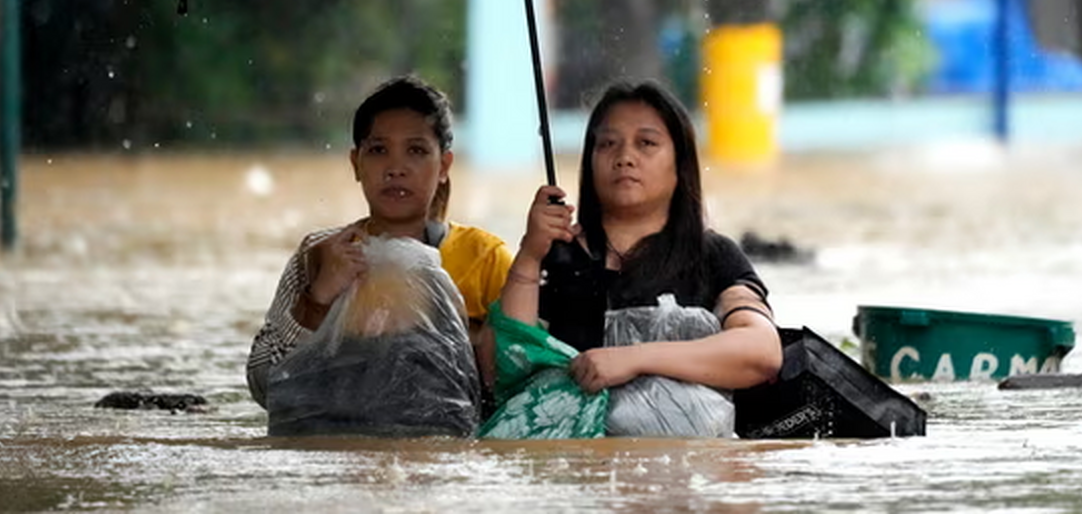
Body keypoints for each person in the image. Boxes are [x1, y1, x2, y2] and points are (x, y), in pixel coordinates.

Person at [246, 75, 513, 429]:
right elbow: (264, 384)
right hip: (340, 459)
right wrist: (319, 299)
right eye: (378, 150)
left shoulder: (485, 258)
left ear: (444, 166)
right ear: (356, 164)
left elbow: (525, 381)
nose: (396, 168)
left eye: (416, 150)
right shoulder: (322, 253)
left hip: (440, 463)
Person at [498, 80, 782, 398]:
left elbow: (763, 352)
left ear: (681, 164)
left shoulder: (711, 255)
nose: (624, 157)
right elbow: (505, 369)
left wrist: (634, 359)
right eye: (607, 144)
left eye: (646, 143)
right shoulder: (555, 256)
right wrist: (529, 254)